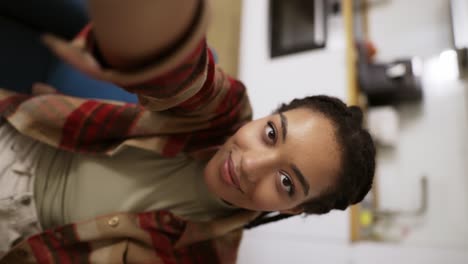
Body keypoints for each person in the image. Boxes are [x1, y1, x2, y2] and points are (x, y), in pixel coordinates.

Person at [0, 0, 376, 263]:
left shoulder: (201, 256)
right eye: (272, 134)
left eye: (286, 182)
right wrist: (148, 38)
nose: (250, 164)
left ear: (295, 209)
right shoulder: (223, 113)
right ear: (266, 117)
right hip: (20, 134)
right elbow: (183, 74)